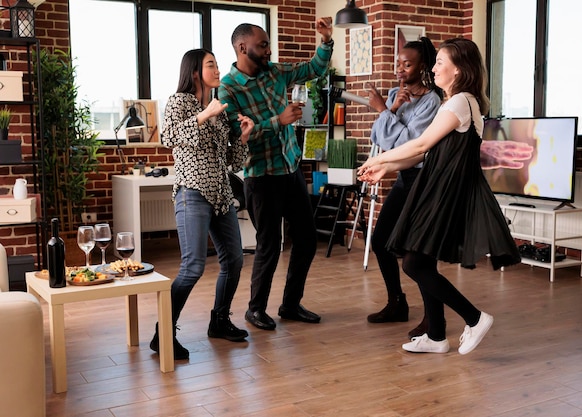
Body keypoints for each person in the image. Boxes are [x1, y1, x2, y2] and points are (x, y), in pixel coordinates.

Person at [358, 38, 520, 355]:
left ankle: (474, 318)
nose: (434, 68)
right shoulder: (456, 103)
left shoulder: (460, 102)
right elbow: (425, 153)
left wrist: (377, 159)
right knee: (421, 261)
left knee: (414, 263)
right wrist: (386, 168)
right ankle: (436, 336)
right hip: (438, 188)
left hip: (445, 194)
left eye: (440, 62)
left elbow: (419, 145)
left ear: (458, 69)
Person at [218, 18, 334, 330]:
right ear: (243, 48)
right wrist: (277, 121)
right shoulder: (228, 89)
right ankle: (255, 309)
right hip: (261, 176)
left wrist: (325, 40)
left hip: (291, 169)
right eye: (263, 45)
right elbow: (235, 136)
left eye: (268, 44)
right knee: (269, 245)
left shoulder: (275, 72)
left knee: (307, 241)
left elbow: (314, 69)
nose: (269, 50)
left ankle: (291, 304)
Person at [150, 48, 254, 360]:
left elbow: (232, 162)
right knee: (193, 266)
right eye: (211, 64)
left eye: (217, 63)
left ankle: (220, 321)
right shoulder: (179, 101)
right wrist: (203, 114)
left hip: (222, 194)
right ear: (195, 71)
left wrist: (243, 139)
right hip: (191, 192)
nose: (218, 68)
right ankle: (163, 333)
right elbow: (168, 136)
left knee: (234, 260)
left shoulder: (219, 109)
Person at [365, 38, 441, 340]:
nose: (399, 69)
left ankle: (431, 317)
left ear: (423, 66)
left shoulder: (432, 102)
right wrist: (391, 107)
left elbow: (409, 145)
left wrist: (384, 110)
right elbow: (380, 138)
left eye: (406, 64)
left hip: (423, 183)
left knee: (419, 253)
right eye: (398, 63)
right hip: (402, 179)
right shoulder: (397, 94)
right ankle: (396, 302)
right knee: (381, 240)